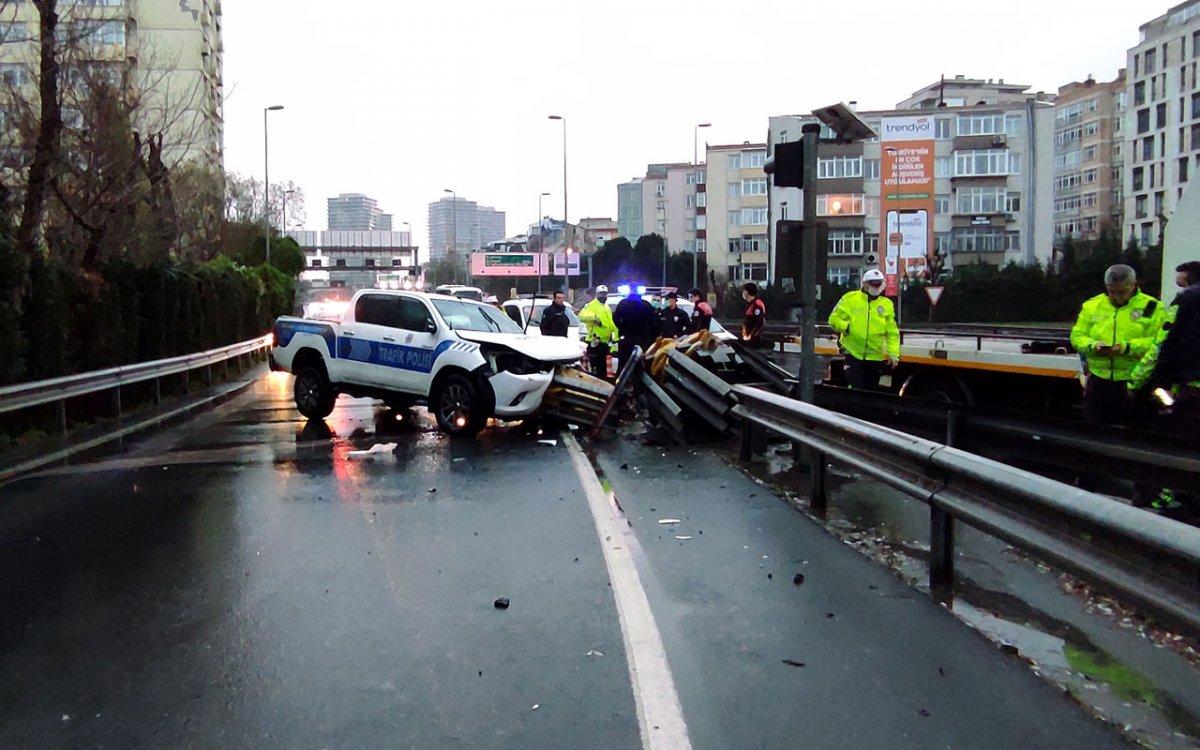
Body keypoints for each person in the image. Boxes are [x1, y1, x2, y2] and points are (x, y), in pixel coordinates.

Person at [1129, 261, 1200, 517]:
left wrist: (1140, 383)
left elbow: (1163, 345)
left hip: (1191, 388)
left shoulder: (1186, 300)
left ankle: (1169, 501)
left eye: (1179, 279)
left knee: (1176, 443)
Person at [1069, 264, 1165, 426]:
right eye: (1111, 291)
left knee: (1136, 431)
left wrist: (1126, 347)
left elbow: (1158, 343)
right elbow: (1077, 336)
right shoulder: (1092, 306)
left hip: (1134, 382)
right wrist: (1094, 346)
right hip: (1099, 381)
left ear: (1134, 285)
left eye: (1122, 292)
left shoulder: (1151, 307)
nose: (1116, 297)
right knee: (1095, 429)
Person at [828, 269, 900, 390]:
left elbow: (892, 332)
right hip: (853, 353)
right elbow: (833, 320)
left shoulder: (886, 304)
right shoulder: (850, 299)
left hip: (875, 356)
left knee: (871, 390)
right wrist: (848, 328)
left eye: (879, 283)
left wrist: (894, 354)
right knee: (856, 387)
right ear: (865, 284)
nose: (876, 287)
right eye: (873, 284)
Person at [578, 285, 618, 379]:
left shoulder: (606, 307)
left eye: (604, 294)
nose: (603, 296)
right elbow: (581, 316)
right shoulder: (591, 305)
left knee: (602, 368)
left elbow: (611, 324)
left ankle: (602, 385)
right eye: (601, 294)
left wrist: (616, 337)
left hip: (605, 342)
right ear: (596, 294)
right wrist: (595, 318)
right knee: (595, 368)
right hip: (595, 342)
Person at [613, 289, 657, 372]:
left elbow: (616, 319)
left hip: (628, 338)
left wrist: (622, 328)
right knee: (637, 365)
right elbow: (653, 323)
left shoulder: (623, 304)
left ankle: (623, 382)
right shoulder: (645, 304)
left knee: (624, 364)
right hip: (638, 340)